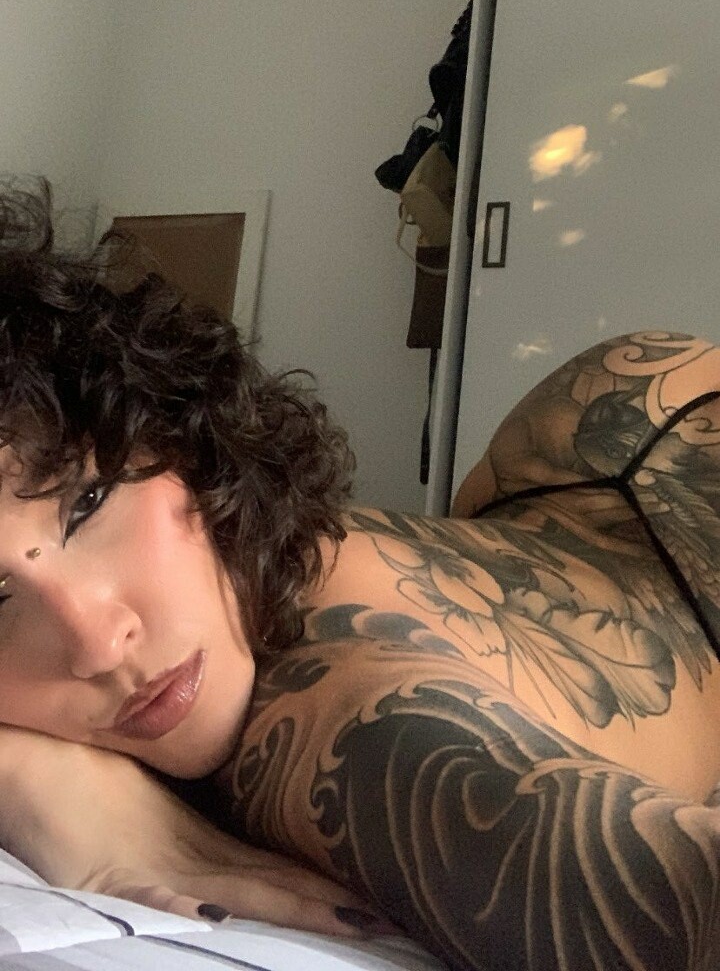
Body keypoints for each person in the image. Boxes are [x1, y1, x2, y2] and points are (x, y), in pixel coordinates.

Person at [0, 180, 718, 971]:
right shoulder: (347, 732)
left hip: (625, 427)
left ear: (174, 434)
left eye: (88, 501)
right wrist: (25, 775)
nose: (99, 643)